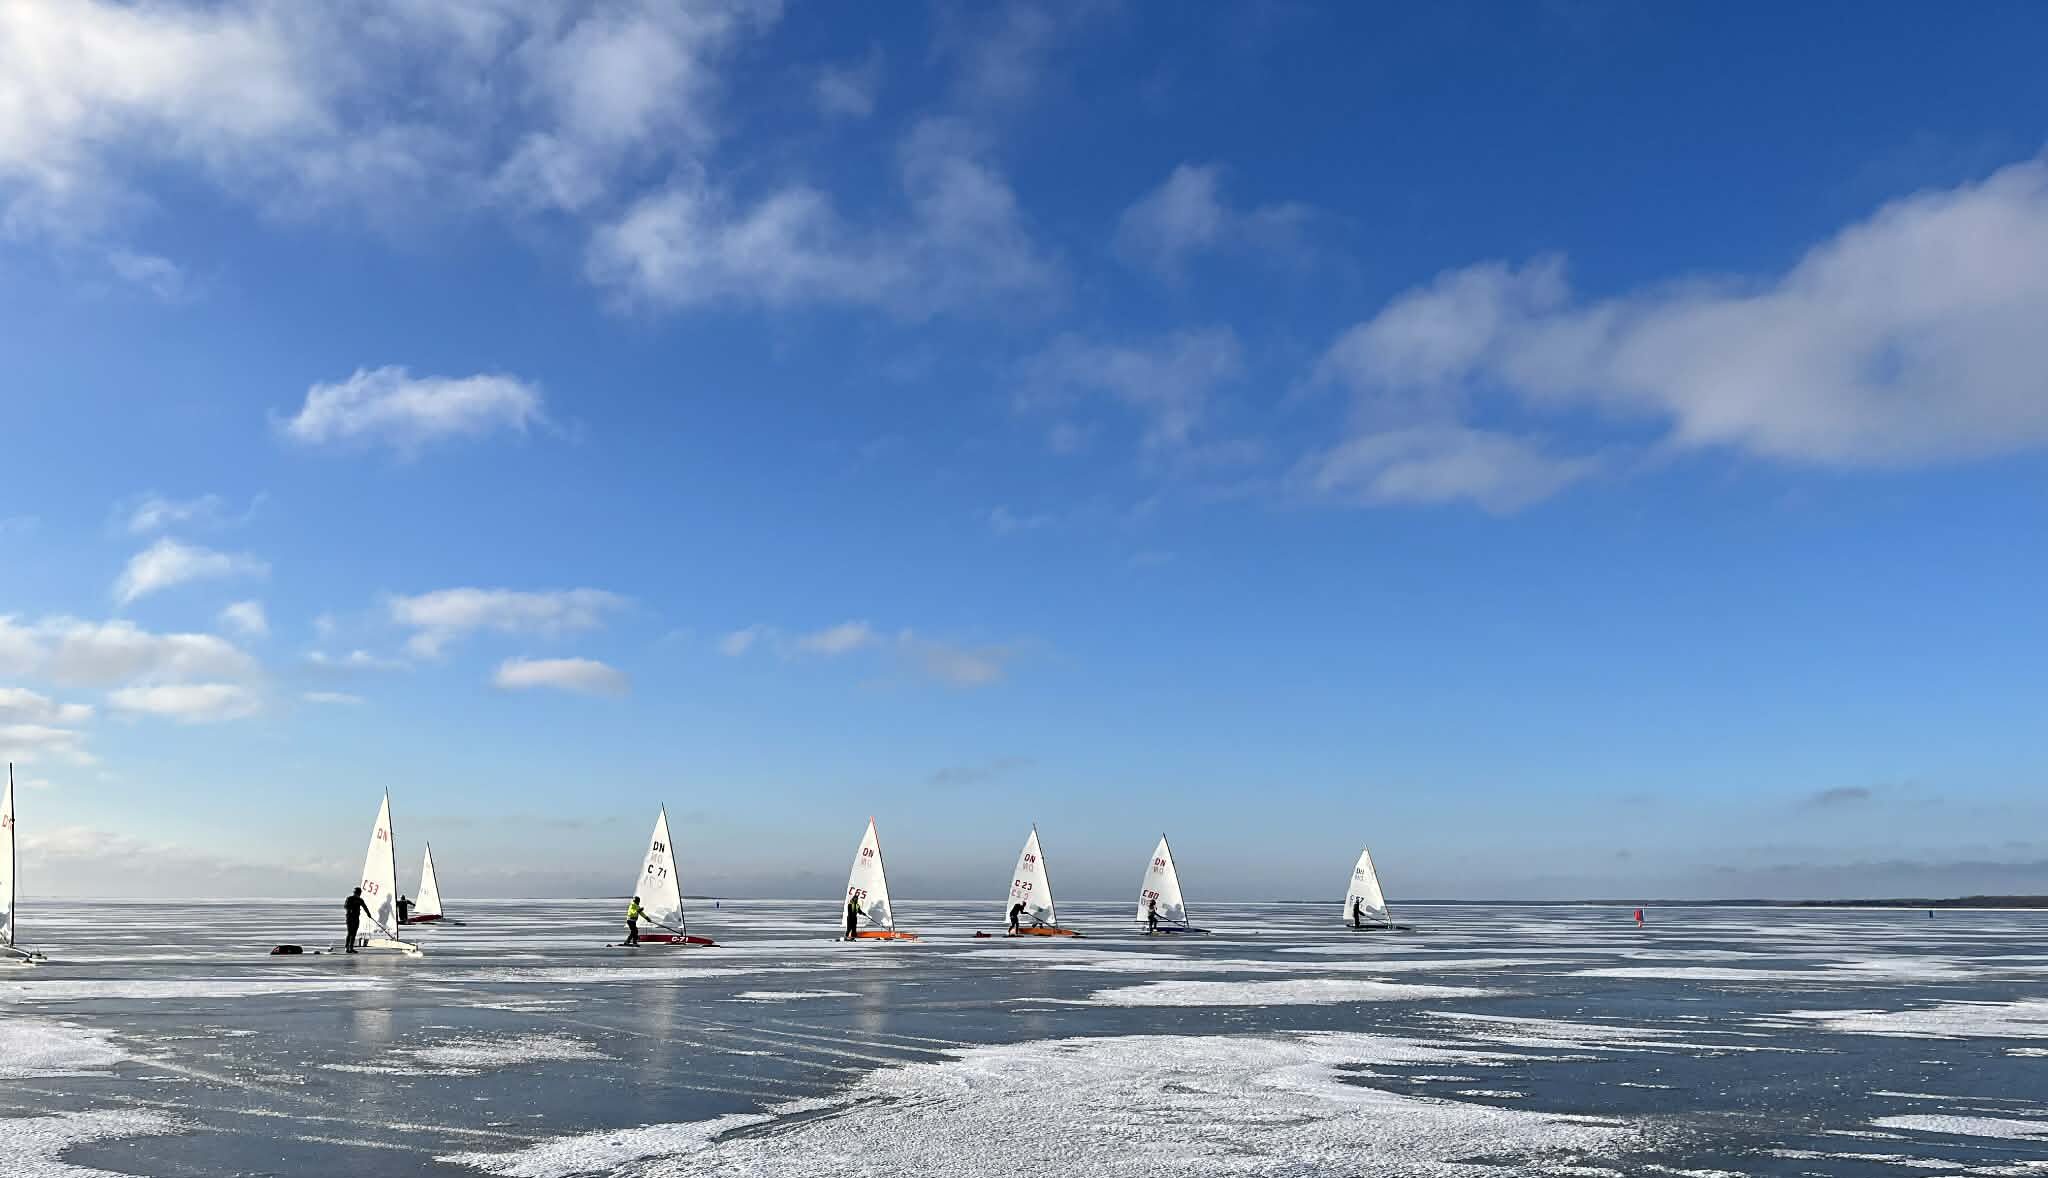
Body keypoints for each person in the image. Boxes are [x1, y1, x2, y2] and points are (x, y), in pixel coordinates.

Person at [343, 887, 369, 953]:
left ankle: (351, 947)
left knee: (354, 933)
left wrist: (369, 914)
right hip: (350, 918)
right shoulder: (350, 898)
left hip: (356, 918)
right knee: (350, 932)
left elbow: (365, 907)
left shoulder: (360, 900)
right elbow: (345, 906)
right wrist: (350, 910)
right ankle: (347, 947)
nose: (359, 894)